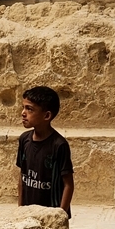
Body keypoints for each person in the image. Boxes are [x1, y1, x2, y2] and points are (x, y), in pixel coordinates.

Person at [16, 86, 74, 217]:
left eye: (29, 109)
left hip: (50, 214)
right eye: (23, 107)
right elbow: (22, 176)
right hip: (28, 213)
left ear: (47, 115)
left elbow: (68, 184)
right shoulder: (24, 139)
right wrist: (20, 209)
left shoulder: (59, 145)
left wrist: (60, 215)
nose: (23, 113)